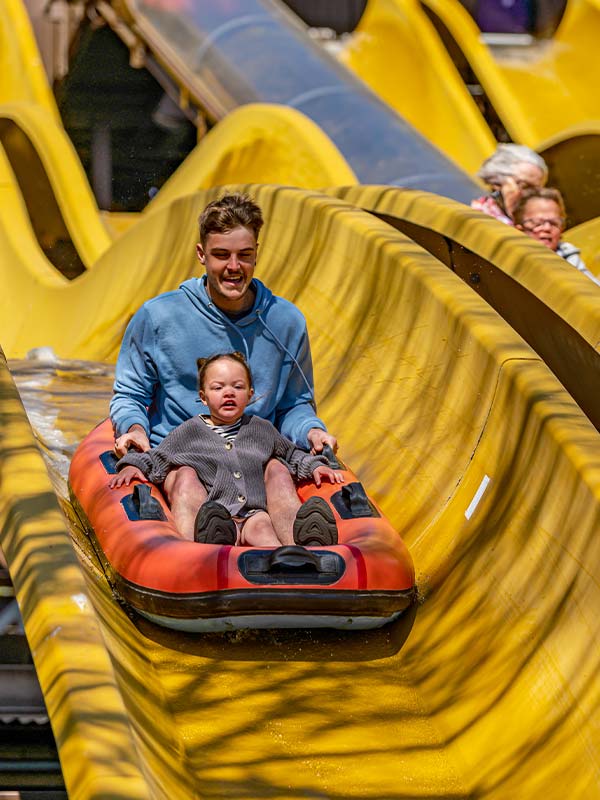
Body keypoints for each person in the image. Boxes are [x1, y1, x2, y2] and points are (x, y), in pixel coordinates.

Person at [110, 193, 338, 542]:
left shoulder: (286, 321)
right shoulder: (158, 317)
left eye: (245, 255)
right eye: (221, 255)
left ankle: (300, 556)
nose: (234, 267)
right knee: (186, 480)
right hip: (186, 457)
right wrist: (134, 428)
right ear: (201, 254)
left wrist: (312, 431)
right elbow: (130, 394)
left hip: (253, 456)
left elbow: (295, 404)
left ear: (257, 253)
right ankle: (197, 559)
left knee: (278, 472)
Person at [109, 352, 344, 547]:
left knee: (265, 533)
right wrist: (131, 465)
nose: (228, 393)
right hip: (216, 516)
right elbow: (158, 458)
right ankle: (197, 554)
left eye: (238, 387)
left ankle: (299, 553)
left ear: (250, 395)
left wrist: (316, 466)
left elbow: (291, 454)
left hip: (254, 513)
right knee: (213, 532)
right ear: (203, 397)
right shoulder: (189, 432)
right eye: (218, 387)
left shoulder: (261, 429)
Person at [513, 187, 600, 286]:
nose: (547, 228)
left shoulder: (569, 257)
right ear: (518, 229)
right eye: (537, 223)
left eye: (554, 223)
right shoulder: (507, 261)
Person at [471, 143, 548, 224]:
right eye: (524, 186)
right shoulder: (479, 220)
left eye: (537, 192)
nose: (530, 196)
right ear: (497, 183)